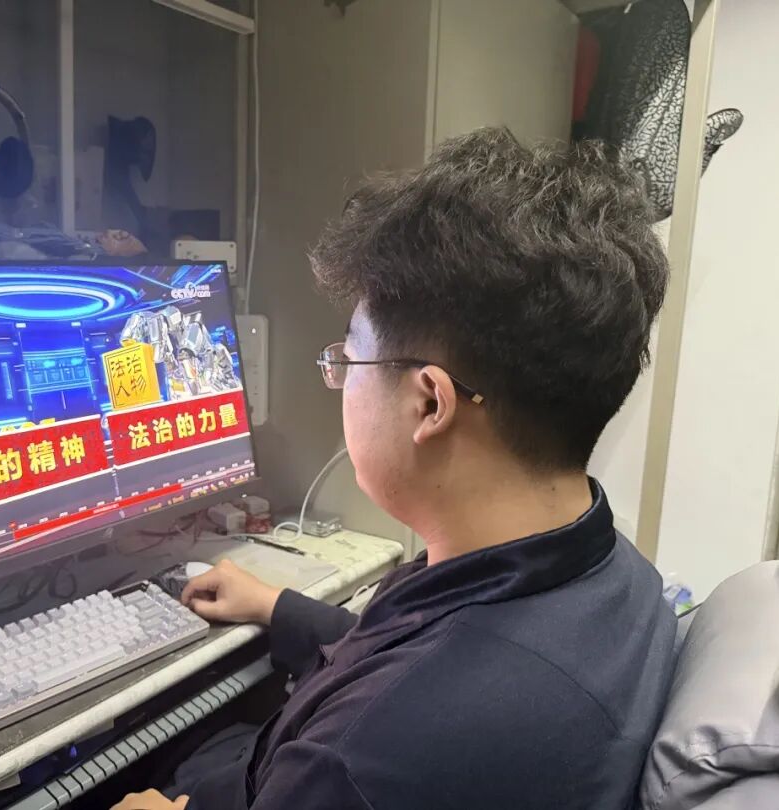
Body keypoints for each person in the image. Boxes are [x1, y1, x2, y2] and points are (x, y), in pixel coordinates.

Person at [110, 127, 677, 810]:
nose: (338, 376)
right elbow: (413, 651)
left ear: (430, 401)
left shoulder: (362, 761)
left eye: (349, 357)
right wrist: (277, 607)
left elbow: (400, 711)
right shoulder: (612, 574)